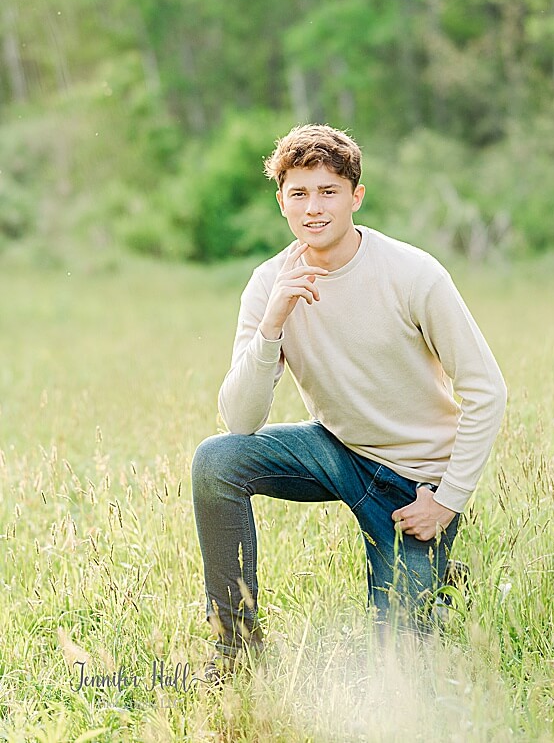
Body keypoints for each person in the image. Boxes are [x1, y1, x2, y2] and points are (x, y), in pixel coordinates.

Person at [190, 124, 508, 684]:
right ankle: (235, 652)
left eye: (328, 191)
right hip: (336, 451)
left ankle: (436, 576)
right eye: (299, 193)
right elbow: (240, 421)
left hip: (416, 484)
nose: (314, 208)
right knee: (217, 461)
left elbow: (486, 391)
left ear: (356, 197)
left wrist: (449, 500)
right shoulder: (269, 284)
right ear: (281, 201)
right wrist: (273, 325)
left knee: (399, 667)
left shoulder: (414, 274)